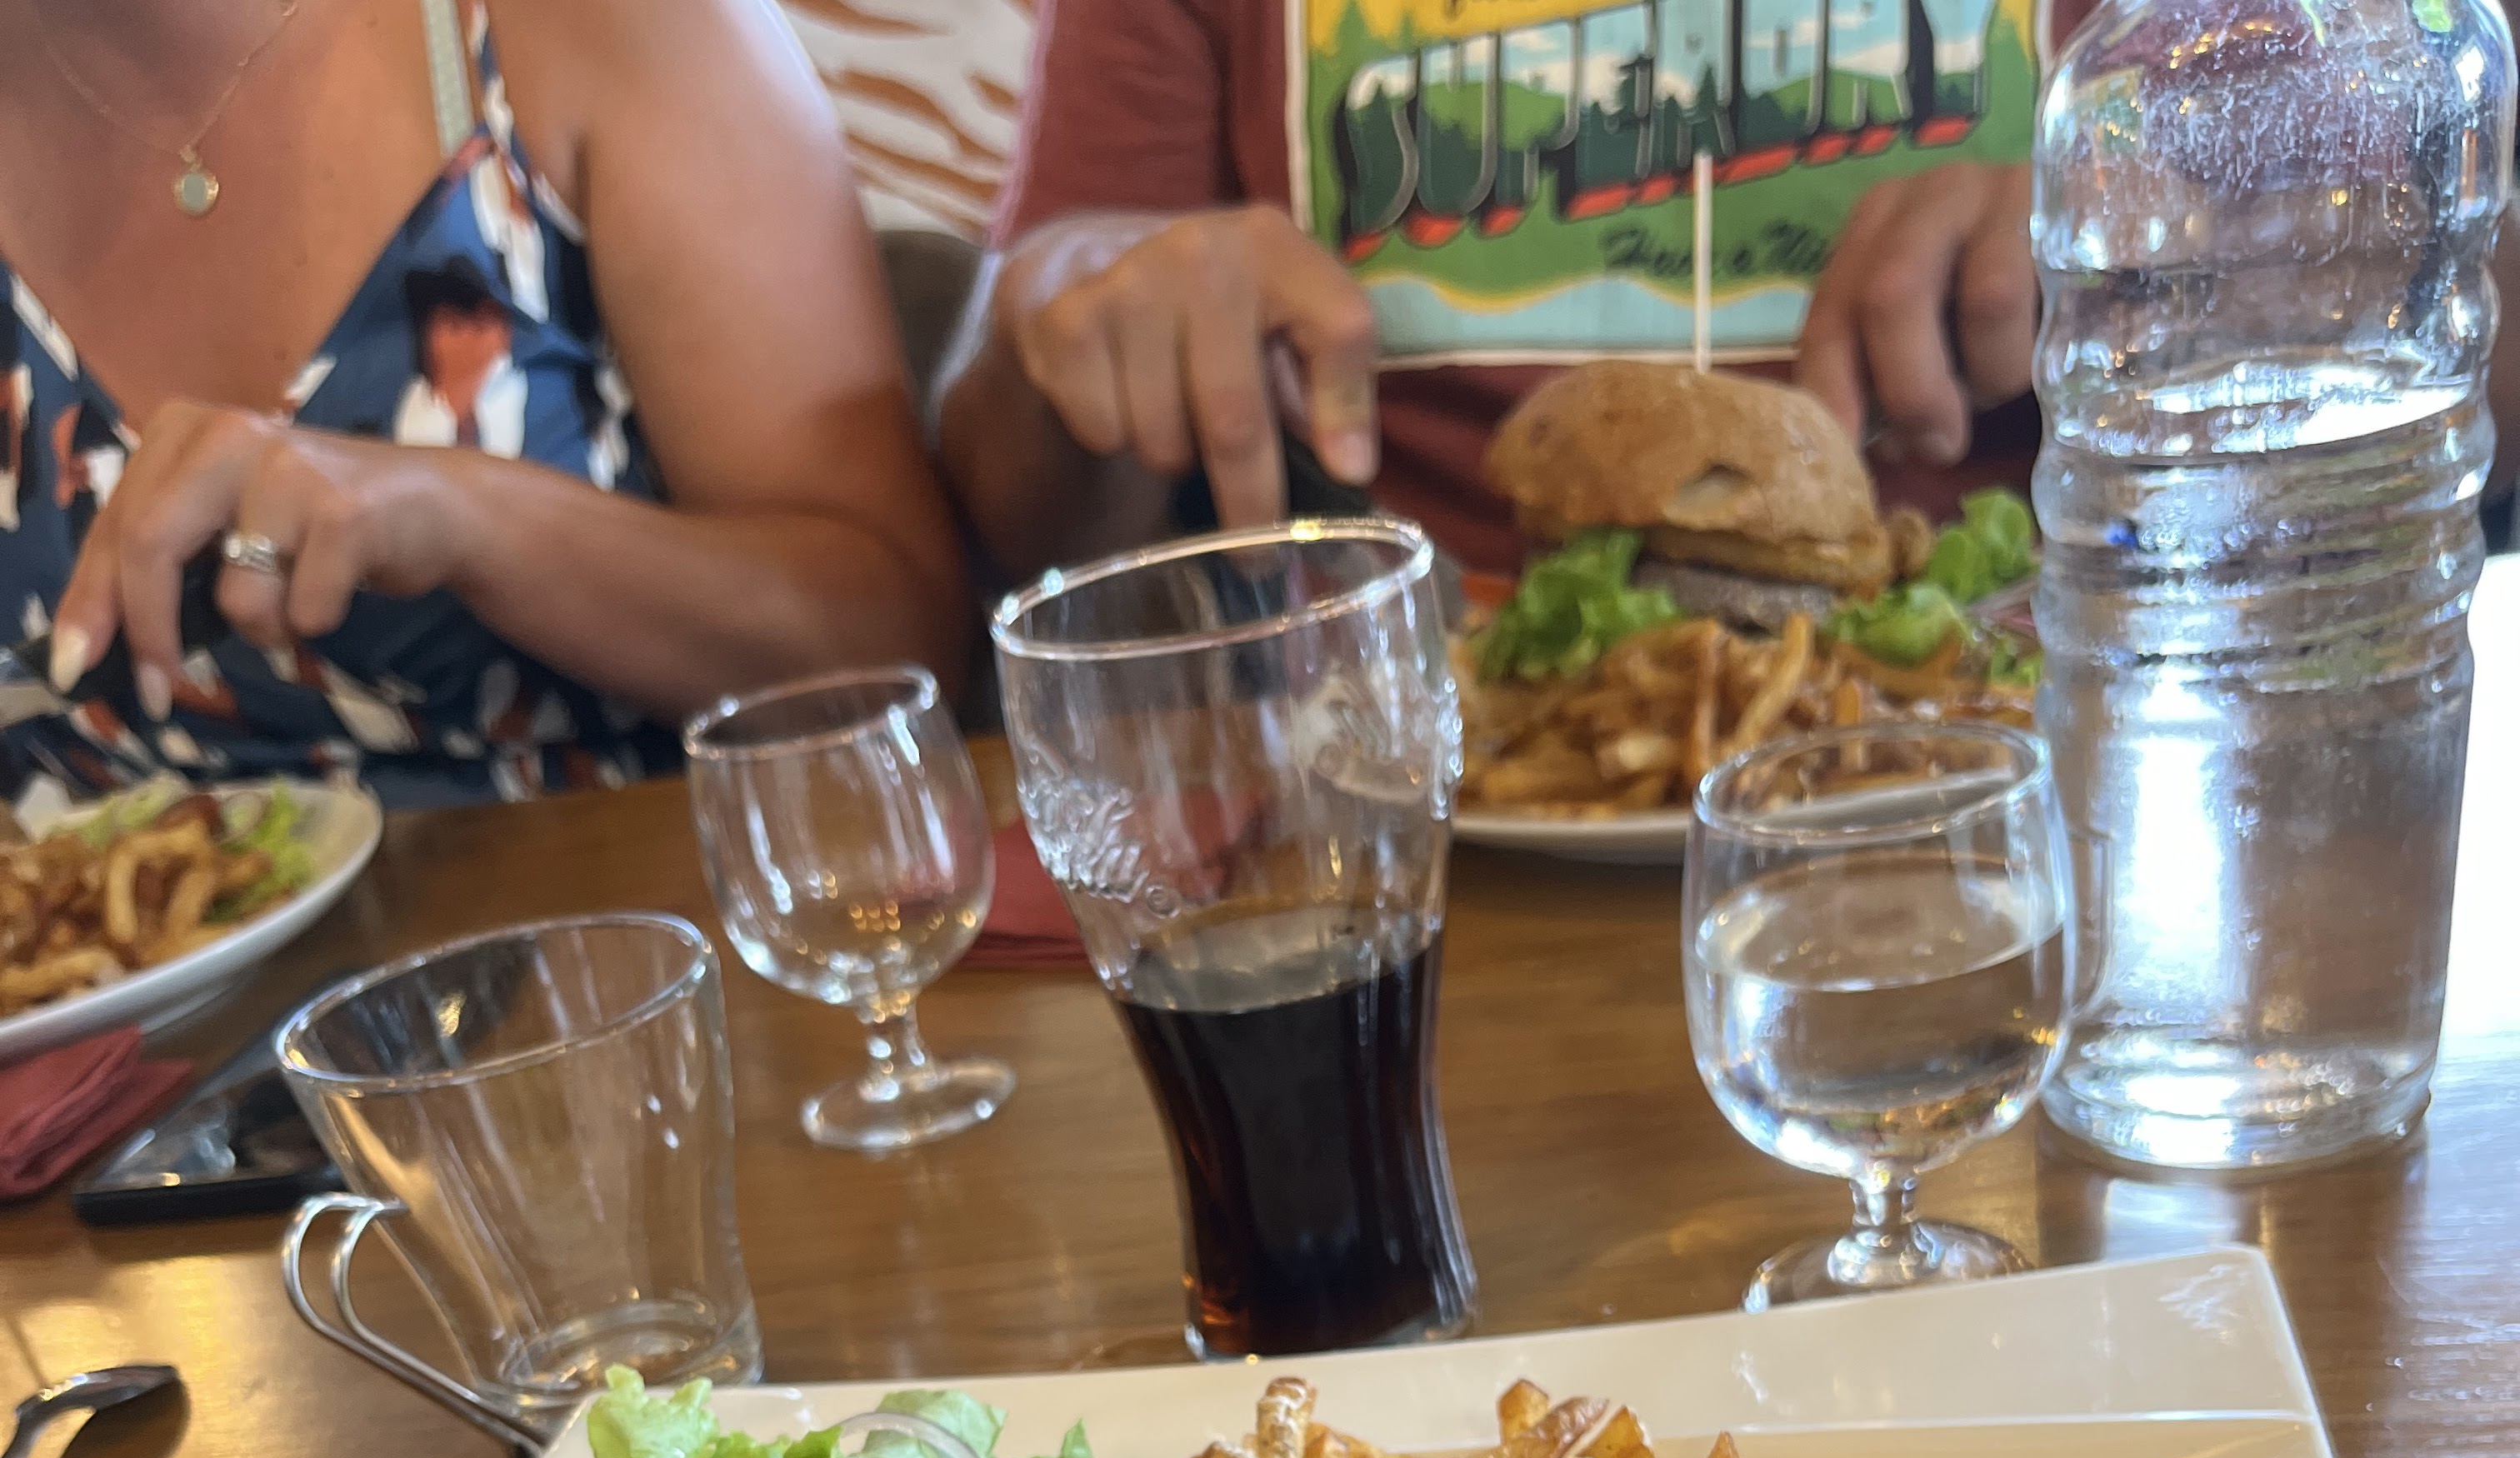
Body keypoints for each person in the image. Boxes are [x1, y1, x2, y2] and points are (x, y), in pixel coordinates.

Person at [0, 0, 969, 806]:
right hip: (103, 980)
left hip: (649, 944)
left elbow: (897, 647)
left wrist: (464, 515)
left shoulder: (595, 27)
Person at [937, 0, 2049, 587]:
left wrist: (2118, 224)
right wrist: (1072, 322)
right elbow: (1012, 520)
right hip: (1388, 807)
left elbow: (2176, 241)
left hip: (2009, 788)